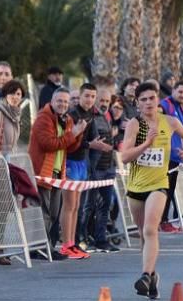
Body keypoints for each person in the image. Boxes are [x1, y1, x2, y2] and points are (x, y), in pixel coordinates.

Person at [119, 82, 183, 300]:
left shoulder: (169, 122)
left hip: (159, 183)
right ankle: (152, 277)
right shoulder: (135, 124)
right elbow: (125, 157)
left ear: (157, 99)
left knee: (151, 230)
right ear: (137, 103)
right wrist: (146, 144)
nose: (148, 102)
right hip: (136, 186)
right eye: (144, 99)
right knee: (142, 234)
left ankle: (145, 275)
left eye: (152, 98)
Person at [27, 88, 85, 258]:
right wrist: (73, 133)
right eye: (59, 101)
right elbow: (49, 144)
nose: (63, 104)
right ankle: (40, 249)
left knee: (53, 213)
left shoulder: (65, 119)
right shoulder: (43, 118)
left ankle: (48, 248)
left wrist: (78, 133)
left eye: (66, 102)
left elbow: (70, 146)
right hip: (43, 171)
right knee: (43, 213)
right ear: (52, 101)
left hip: (58, 172)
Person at [62, 83, 105, 258]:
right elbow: (69, 142)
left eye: (92, 96)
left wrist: (99, 143)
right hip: (71, 161)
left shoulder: (91, 115)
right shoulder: (73, 114)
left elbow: (92, 139)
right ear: (79, 96)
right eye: (86, 96)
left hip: (82, 163)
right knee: (69, 205)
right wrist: (90, 144)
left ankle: (73, 243)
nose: (89, 99)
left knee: (77, 206)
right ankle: (66, 244)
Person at [84, 89, 121, 252]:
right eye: (101, 100)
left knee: (106, 205)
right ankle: (83, 238)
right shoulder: (91, 117)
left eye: (107, 101)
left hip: (108, 167)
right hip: (95, 168)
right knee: (89, 205)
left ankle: (101, 239)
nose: (104, 104)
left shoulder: (107, 116)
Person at [159, 81, 183, 233]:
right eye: (180, 92)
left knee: (169, 192)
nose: (182, 95)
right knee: (163, 191)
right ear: (173, 90)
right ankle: (161, 221)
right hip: (165, 156)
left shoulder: (181, 109)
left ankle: (164, 220)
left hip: (176, 157)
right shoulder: (165, 105)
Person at [0, 80, 25, 157]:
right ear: (5, 95)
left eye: (18, 94)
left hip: (9, 157)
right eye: (12, 93)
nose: (15, 97)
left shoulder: (16, 115)